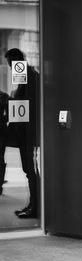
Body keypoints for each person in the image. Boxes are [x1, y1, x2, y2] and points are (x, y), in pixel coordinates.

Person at [5, 48, 40, 218]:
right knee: (29, 170)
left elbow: (26, 105)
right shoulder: (27, 77)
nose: (12, 68)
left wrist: (9, 100)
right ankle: (33, 205)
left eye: (11, 64)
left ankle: (35, 207)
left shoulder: (30, 77)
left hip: (28, 132)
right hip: (24, 132)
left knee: (31, 169)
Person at [0, 91, 9, 195]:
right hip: (2, 130)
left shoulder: (3, 96)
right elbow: (10, 115)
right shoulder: (4, 96)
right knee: (1, 158)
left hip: (1, 131)